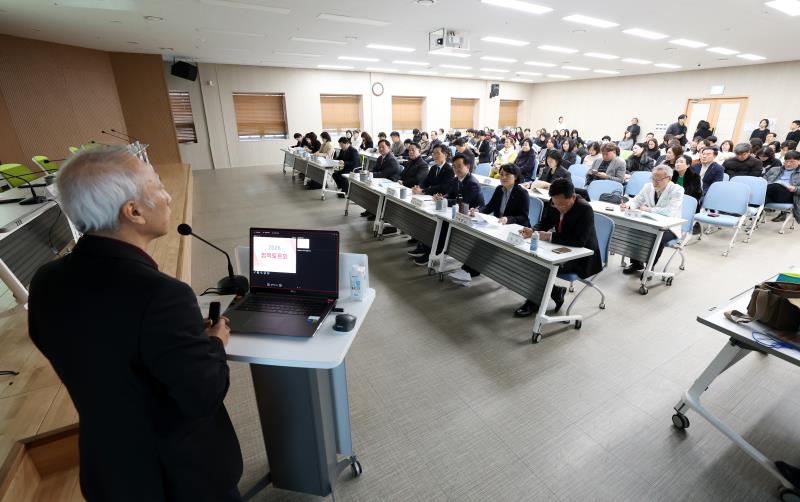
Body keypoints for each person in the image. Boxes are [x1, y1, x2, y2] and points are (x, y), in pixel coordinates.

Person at [29, 148, 243, 502]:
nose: (168, 195)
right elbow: (202, 395)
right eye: (158, 186)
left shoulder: (46, 280)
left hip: (110, 470)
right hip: (178, 479)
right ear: (134, 211)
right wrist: (213, 343)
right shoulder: (162, 296)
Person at [514, 178, 602, 317]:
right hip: (561, 248)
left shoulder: (584, 209)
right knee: (528, 259)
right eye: (556, 204)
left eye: (563, 205)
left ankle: (534, 301)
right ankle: (556, 291)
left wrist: (549, 237)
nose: (559, 208)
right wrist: (532, 231)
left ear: (573, 197)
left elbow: (579, 241)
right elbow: (544, 223)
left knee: (540, 266)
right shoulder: (554, 202)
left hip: (582, 257)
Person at [449, 164, 531, 285]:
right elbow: (489, 207)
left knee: (486, 244)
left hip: (515, 229)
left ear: (516, 177)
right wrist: (478, 211)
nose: (503, 177)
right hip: (499, 226)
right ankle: (468, 269)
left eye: (507, 175)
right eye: (501, 174)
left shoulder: (522, 193)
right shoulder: (499, 189)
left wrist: (507, 219)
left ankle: (470, 270)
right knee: (481, 240)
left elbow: (523, 217)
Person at [408, 154, 483, 265]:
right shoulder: (456, 179)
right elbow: (450, 194)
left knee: (442, 225)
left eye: (459, 166)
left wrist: (444, 201)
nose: (456, 169)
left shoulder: (472, 183)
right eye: (454, 166)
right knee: (432, 221)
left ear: (468, 167)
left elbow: (463, 202)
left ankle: (432, 253)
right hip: (455, 212)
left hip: (470, 217)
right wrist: (442, 198)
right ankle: (425, 246)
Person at [620, 164, 684, 275]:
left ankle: (649, 268)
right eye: (653, 178)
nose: (655, 182)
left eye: (658, 179)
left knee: (656, 237)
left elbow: (669, 211)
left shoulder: (677, 190)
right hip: (649, 222)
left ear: (669, 178)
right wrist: (628, 205)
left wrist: (648, 209)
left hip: (669, 227)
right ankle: (636, 263)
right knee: (634, 231)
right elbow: (636, 201)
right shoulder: (648, 186)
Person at [360, 139, 401, 220]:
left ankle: (376, 213)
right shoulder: (380, 158)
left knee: (374, 191)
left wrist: (371, 174)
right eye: (379, 147)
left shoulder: (392, 159)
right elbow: (375, 170)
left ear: (388, 147)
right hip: (382, 181)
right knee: (368, 189)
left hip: (391, 183)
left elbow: (384, 174)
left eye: (383, 147)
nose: (381, 149)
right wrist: (368, 172)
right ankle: (371, 210)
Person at [763, 151, 800, 222]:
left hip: (789, 196)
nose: (788, 164)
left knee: (776, 186)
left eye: (792, 162)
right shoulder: (774, 169)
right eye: (786, 161)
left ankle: (750, 207)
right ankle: (755, 218)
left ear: (799, 162)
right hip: (771, 192)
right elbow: (763, 181)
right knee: (764, 196)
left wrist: (795, 188)